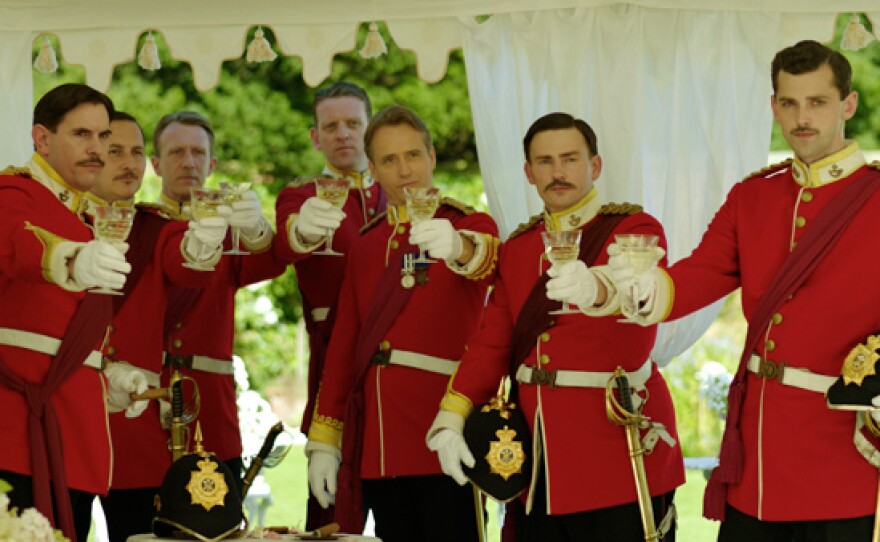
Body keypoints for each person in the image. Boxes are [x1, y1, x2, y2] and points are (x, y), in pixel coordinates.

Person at [608, 40, 880, 541]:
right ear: (773, 106)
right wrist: (636, 287)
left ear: (848, 104)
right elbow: (701, 273)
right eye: (789, 102)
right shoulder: (753, 196)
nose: (802, 117)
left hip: (843, 458)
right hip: (757, 458)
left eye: (817, 102)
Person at [426, 112, 684, 542]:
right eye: (545, 162)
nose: (558, 172)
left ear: (595, 166)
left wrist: (595, 288)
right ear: (529, 173)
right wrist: (451, 416)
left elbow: (629, 288)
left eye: (570, 159)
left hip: (618, 449)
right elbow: (492, 343)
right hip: (540, 459)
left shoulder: (633, 229)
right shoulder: (519, 248)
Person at [305, 105, 499, 541]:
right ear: (373, 170)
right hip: (380, 443)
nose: (405, 170)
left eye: (413, 155)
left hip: (445, 431)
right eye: (389, 160)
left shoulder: (466, 224)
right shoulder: (366, 244)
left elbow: (489, 262)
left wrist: (459, 247)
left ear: (432, 157)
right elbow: (344, 348)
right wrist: (325, 439)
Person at [0, 84, 147, 542]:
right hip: (19, 432)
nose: (96, 149)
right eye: (82, 134)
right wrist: (66, 258)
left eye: (103, 136)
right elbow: (13, 241)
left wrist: (106, 377)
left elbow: (65, 334)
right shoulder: (13, 192)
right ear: (42, 139)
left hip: (72, 434)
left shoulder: (87, 221)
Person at [91, 111, 224, 542]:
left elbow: (188, 265)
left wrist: (204, 240)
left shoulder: (158, 229)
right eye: (115, 151)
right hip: (69, 418)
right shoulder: (61, 223)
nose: (128, 163)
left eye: (135, 152)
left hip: (133, 424)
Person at [152, 111, 286, 487]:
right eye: (176, 152)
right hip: (148, 402)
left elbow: (272, 261)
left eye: (198, 153)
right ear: (156, 164)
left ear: (211, 165)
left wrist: (256, 228)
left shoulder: (230, 232)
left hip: (211, 405)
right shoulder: (139, 225)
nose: (188, 162)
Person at [274, 81, 385, 530]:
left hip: (393, 369)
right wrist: (303, 229)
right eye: (331, 126)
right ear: (315, 137)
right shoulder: (300, 196)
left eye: (353, 124)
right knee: (333, 517)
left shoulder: (398, 194)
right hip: (333, 369)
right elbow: (286, 243)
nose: (343, 134)